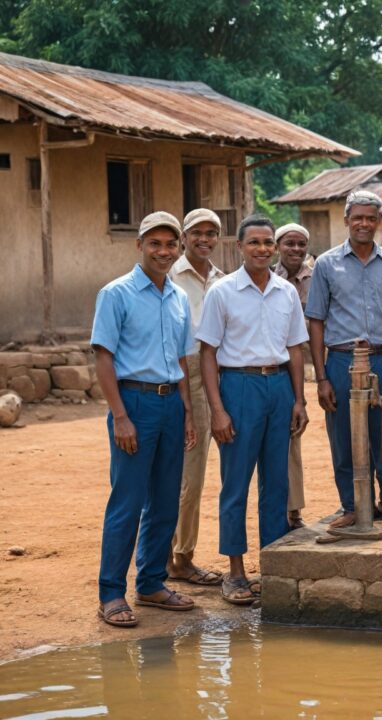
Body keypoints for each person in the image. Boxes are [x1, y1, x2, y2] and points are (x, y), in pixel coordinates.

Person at [91, 211, 197, 627]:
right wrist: (120, 416)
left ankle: (152, 582)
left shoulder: (179, 297)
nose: (164, 251)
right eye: (155, 243)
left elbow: (182, 361)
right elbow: (104, 357)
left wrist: (187, 412)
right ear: (139, 246)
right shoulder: (116, 294)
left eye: (171, 244)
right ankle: (111, 593)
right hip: (134, 403)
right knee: (128, 500)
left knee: (166, 500)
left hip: (172, 404)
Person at [196, 214, 309, 605]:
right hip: (238, 387)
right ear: (240, 247)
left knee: (277, 483)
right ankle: (236, 573)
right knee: (236, 484)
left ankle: (272, 568)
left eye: (267, 243)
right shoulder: (222, 292)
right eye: (254, 242)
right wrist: (217, 409)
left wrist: (299, 399)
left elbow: (295, 349)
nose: (262, 249)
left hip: (279, 386)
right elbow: (207, 353)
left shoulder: (286, 293)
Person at [306, 190, 382, 528]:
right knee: (343, 435)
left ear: (379, 222)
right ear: (346, 221)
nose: (364, 224)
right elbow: (316, 320)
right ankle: (351, 506)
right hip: (342, 361)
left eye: (370, 218)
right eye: (358, 218)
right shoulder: (326, 264)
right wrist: (322, 377)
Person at [166, 208, 225, 587]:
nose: (204, 239)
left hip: (219, 369)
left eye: (211, 233)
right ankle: (177, 558)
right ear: (185, 237)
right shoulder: (170, 277)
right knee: (186, 473)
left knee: (199, 472)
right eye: (197, 233)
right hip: (182, 371)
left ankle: (176, 554)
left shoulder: (222, 280)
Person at [274, 223, 314, 529]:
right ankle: (273, 510)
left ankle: (292, 510)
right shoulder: (265, 276)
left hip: (300, 365)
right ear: (278, 246)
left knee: (292, 439)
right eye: (289, 243)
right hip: (272, 366)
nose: (295, 250)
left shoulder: (316, 278)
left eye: (301, 244)